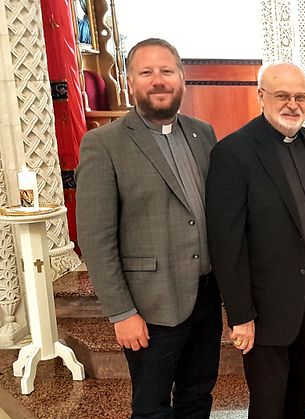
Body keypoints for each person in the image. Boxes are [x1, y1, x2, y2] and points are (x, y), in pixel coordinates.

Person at [76, 38, 222, 418]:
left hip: (205, 295)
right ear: (130, 81)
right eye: (147, 72)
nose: (158, 80)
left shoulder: (202, 133)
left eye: (167, 71)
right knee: (152, 404)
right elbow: (96, 237)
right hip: (151, 304)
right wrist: (121, 312)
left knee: (198, 393)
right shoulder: (103, 143)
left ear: (182, 79)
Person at [205, 62, 305, 419]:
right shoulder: (234, 152)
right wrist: (240, 314)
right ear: (261, 96)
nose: (293, 105)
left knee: (302, 391)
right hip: (265, 303)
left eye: (299, 97)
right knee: (268, 402)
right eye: (282, 96)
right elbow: (225, 242)